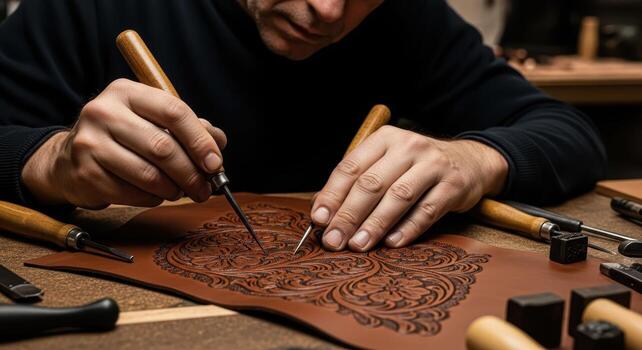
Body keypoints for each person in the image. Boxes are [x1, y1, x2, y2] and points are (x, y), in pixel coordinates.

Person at [0, 0, 606, 252]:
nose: (328, 11)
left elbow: (566, 132)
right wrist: (49, 161)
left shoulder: (405, 18)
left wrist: (474, 160)